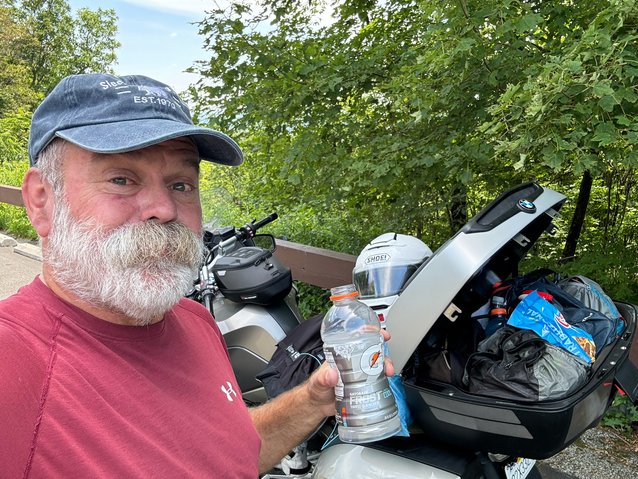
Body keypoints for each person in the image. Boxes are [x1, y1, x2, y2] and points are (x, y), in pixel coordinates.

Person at [0, 73, 393, 477]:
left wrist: (312, 400)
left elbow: (223, 454)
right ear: (41, 201)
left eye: (181, 184)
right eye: (121, 179)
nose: (164, 209)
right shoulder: (13, 362)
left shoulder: (195, 321)